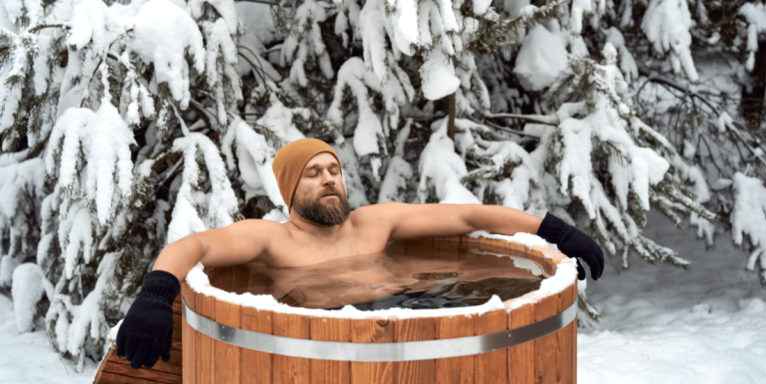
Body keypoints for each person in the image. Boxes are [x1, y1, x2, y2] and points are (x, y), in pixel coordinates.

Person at [116, 137, 604, 369]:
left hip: (415, 309)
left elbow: (467, 218)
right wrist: (157, 295)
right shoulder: (272, 239)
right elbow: (195, 245)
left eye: (334, 170)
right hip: (320, 344)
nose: (329, 178)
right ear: (291, 191)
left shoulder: (374, 222)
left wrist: (553, 229)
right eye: (313, 173)